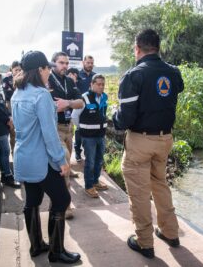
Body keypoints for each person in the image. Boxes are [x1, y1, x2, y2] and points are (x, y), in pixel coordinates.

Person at [112, 29, 184, 259]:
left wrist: (115, 114)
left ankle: (144, 242)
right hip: (165, 139)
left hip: (141, 141)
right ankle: (171, 232)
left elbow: (125, 120)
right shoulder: (173, 72)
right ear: (158, 47)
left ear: (137, 48)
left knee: (139, 193)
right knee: (160, 183)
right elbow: (174, 90)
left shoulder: (134, 75)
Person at [11, 51, 81, 264]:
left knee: (32, 200)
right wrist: (61, 160)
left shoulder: (17, 93)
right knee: (62, 199)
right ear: (39, 70)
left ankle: (37, 246)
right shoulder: (41, 95)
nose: (49, 72)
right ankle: (56, 251)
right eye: (47, 68)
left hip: (23, 157)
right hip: (41, 158)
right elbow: (50, 134)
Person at [48, 52, 84, 220]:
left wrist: (67, 103)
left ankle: (57, 199)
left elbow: (81, 102)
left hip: (69, 128)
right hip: (54, 128)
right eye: (61, 62)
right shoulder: (47, 81)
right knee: (64, 165)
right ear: (53, 63)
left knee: (63, 166)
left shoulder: (69, 81)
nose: (65, 66)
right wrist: (57, 107)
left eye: (66, 63)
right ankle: (65, 205)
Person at [71, 74, 109, 198]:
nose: (101, 86)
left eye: (103, 84)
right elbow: (74, 117)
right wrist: (82, 128)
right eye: (98, 84)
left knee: (99, 161)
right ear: (91, 84)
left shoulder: (104, 97)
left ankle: (96, 181)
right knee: (90, 162)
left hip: (101, 135)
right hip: (89, 137)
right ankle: (88, 186)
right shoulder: (84, 98)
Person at [74, 55, 96, 162]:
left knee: (90, 130)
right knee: (79, 130)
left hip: (92, 107)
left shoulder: (95, 76)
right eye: (88, 63)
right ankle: (77, 151)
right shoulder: (78, 75)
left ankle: (89, 153)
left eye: (92, 63)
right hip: (81, 106)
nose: (90, 65)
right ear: (83, 63)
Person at [2, 61, 22, 156]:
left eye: (19, 69)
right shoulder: (7, 79)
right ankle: (14, 154)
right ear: (12, 70)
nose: (18, 71)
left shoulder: (25, 79)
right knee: (13, 133)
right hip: (11, 106)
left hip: (22, 106)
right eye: (16, 70)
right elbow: (8, 95)